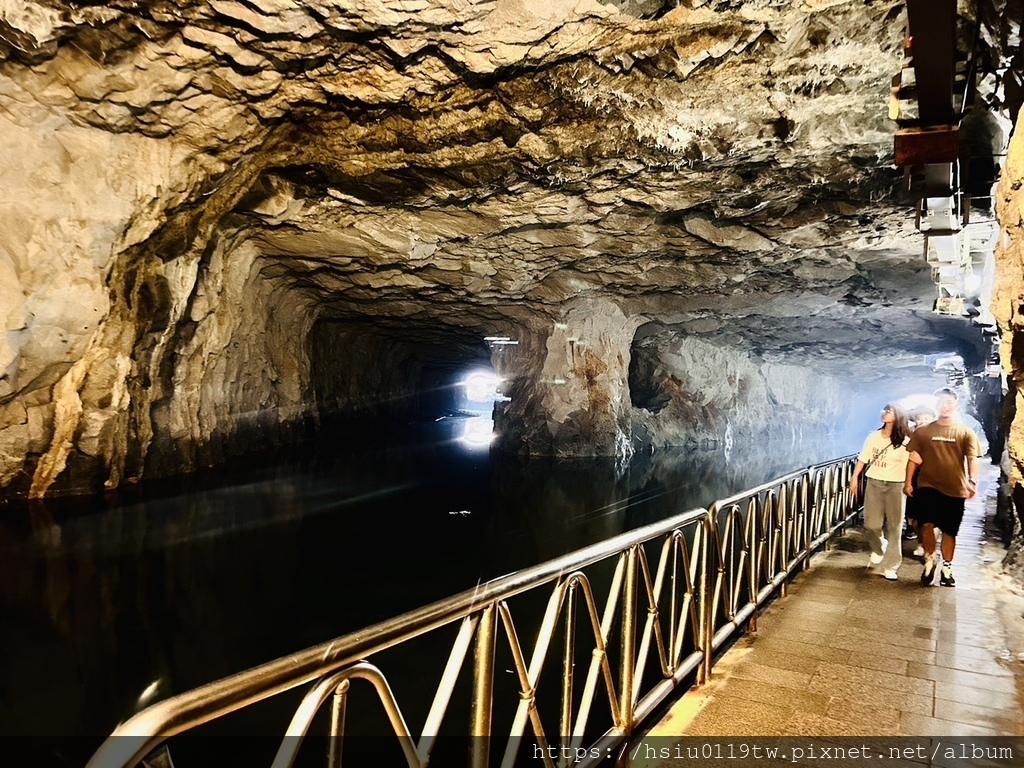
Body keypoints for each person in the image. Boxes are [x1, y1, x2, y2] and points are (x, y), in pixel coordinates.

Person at [903, 388, 982, 587]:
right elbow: (913, 458)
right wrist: (908, 482)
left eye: (948, 402)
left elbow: (972, 458)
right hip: (928, 484)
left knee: (949, 531)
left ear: (955, 405)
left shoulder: (965, 432)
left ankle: (947, 567)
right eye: (940, 402)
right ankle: (930, 559)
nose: (944, 406)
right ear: (935, 405)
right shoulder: (923, 432)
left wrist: (973, 481)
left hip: (955, 487)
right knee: (927, 523)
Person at [851, 403, 911, 580]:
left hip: (896, 486)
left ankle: (891, 565)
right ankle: (878, 547)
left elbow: (910, 466)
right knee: (872, 523)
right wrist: (855, 478)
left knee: (895, 526)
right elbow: (863, 459)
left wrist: (908, 484)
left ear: (898, 416)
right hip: (875, 483)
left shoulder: (905, 442)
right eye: (884, 410)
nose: (884, 413)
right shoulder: (874, 437)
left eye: (888, 411)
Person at [904, 405, 937, 557]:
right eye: (919, 418)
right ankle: (920, 541)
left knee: (929, 515)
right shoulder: (910, 435)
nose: (922, 421)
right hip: (914, 477)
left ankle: (926, 546)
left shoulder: (938, 435)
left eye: (926, 418)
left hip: (932, 480)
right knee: (914, 516)